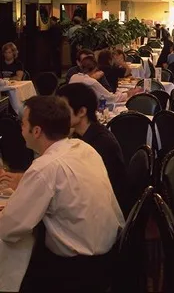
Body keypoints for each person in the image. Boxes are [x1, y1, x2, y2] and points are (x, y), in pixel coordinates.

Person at [0, 96, 124, 291]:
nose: (21, 131)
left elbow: (9, 229)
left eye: (23, 125)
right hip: (111, 254)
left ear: (37, 131)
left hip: (76, 272)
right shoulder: (83, 148)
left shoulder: (45, 168)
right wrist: (25, 182)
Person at [57, 83, 127, 214]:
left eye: (63, 109)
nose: (58, 114)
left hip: (105, 212)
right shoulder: (85, 134)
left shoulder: (99, 143)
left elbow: (79, 187)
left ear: (82, 111)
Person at [69, 57, 138, 104]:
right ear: (94, 69)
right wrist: (128, 93)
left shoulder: (73, 77)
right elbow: (111, 98)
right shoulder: (92, 82)